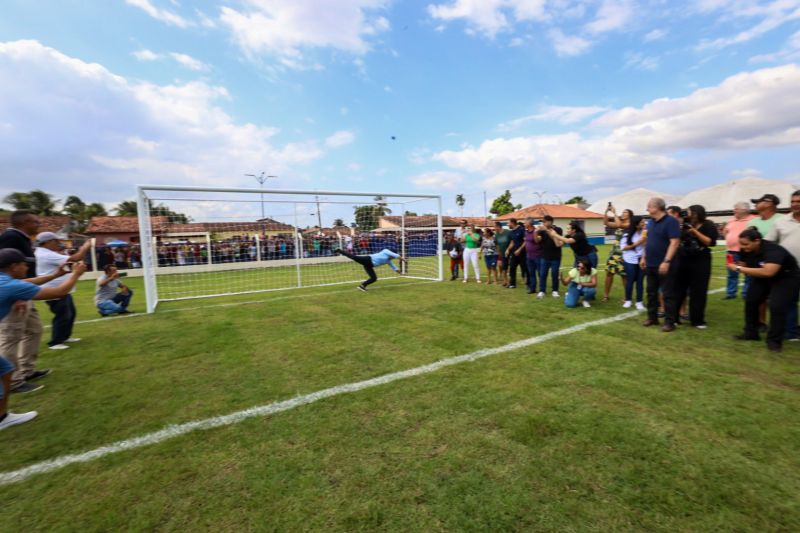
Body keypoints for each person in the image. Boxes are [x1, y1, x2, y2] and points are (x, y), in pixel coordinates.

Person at [0, 248, 87, 428]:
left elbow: (30, 282)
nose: (27, 267)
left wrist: (56, 274)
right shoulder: (10, 286)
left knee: (6, 370)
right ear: (13, 267)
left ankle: (2, 417)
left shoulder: (7, 282)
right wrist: (76, 274)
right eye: (24, 264)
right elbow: (59, 292)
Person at [729, 228, 800, 352]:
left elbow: (768, 272)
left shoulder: (774, 250)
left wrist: (738, 268)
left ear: (757, 241)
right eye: (741, 244)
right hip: (763, 276)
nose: (743, 247)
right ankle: (751, 333)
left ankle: (774, 341)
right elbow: (745, 264)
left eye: (746, 244)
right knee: (751, 300)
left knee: (776, 306)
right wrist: (736, 264)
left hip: (786, 277)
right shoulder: (746, 249)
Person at [0, 210, 46, 394]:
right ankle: (13, 381)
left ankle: (27, 371)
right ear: (24, 222)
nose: (39, 225)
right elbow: (6, 268)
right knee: (11, 337)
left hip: (24, 292)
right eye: (36, 222)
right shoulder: (11, 238)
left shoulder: (22, 238)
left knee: (35, 330)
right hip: (16, 294)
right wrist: (16, 295)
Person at [34, 232, 92, 350]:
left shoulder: (45, 253)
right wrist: (85, 247)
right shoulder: (46, 254)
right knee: (63, 315)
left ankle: (65, 337)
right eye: (56, 241)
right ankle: (55, 342)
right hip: (54, 290)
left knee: (70, 313)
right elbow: (76, 258)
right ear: (48, 242)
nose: (59, 243)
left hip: (62, 289)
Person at [641, 197, 681, 332]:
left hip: (665, 264)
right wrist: (643, 257)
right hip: (651, 264)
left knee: (668, 293)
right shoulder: (650, 222)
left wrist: (666, 261)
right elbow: (648, 241)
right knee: (651, 292)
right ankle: (652, 317)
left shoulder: (671, 222)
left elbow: (674, 242)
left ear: (657, 207)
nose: (647, 209)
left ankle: (670, 322)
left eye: (649, 206)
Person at [675, 205, 718, 329]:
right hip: (684, 258)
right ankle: (674, 317)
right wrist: (682, 225)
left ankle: (697, 320)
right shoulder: (684, 224)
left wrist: (694, 232)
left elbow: (710, 242)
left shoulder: (708, 224)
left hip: (701, 259)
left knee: (699, 291)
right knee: (680, 289)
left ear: (696, 213)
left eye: (688, 213)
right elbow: (678, 239)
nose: (686, 215)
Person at [766, 190, 800, 341]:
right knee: (788, 301)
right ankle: (791, 332)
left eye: (798, 202)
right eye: (793, 201)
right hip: (788, 271)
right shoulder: (780, 221)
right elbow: (769, 243)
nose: (795, 205)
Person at [722, 201, 756, 300]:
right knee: (731, 273)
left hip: (747, 252)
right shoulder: (731, 220)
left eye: (736, 208)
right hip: (731, 251)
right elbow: (725, 231)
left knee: (748, 274)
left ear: (744, 210)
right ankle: (731, 293)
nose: (734, 210)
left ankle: (746, 294)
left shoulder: (753, 220)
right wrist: (729, 238)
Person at [335, 248, 405, 291]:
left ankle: (362, 286)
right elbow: (397, 256)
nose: (393, 257)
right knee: (354, 257)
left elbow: (395, 268)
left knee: (374, 278)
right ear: (392, 254)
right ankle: (340, 251)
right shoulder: (385, 251)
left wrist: (401, 273)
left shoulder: (388, 261)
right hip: (368, 259)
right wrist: (404, 260)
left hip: (369, 265)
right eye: (393, 256)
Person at [603, 205, 632, 302]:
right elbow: (606, 222)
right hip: (614, 252)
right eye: (622, 212)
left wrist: (615, 213)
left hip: (624, 254)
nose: (623, 213)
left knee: (624, 275)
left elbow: (619, 224)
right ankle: (606, 295)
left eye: (625, 212)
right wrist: (607, 211)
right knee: (609, 273)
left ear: (630, 215)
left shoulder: (630, 224)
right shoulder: (619, 223)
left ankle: (626, 297)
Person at [621, 216, 646, 310]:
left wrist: (643, 257)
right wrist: (637, 243)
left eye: (644, 222)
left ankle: (639, 302)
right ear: (636, 224)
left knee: (640, 281)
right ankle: (628, 300)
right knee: (630, 280)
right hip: (630, 260)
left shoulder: (644, 233)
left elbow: (645, 247)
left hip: (641, 259)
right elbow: (623, 247)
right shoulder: (627, 234)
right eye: (642, 223)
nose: (644, 224)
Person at [537, 216, 563, 298]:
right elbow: (537, 240)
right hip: (545, 256)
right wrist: (535, 232)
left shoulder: (558, 229)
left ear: (550, 222)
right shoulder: (542, 231)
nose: (543, 223)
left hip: (556, 256)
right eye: (542, 222)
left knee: (554, 274)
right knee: (543, 274)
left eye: (544, 221)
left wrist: (547, 230)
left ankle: (555, 291)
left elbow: (557, 241)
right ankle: (542, 291)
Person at [521, 218, 542, 296]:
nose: (524, 224)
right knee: (531, 273)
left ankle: (541, 289)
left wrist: (535, 233)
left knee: (540, 273)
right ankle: (532, 288)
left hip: (537, 256)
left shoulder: (536, 231)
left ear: (529, 223)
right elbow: (526, 241)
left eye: (525, 223)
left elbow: (537, 241)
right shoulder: (526, 232)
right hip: (529, 256)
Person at [505, 218, 527, 289]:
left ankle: (528, 284)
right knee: (512, 267)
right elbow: (512, 242)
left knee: (525, 268)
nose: (507, 225)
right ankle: (512, 284)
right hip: (514, 253)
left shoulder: (521, 229)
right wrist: (508, 249)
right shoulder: (511, 232)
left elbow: (525, 241)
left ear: (512, 223)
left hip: (523, 253)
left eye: (508, 223)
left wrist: (519, 249)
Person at [493, 221, 511, 287]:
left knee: (510, 268)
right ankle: (505, 281)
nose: (494, 228)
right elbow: (497, 244)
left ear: (498, 226)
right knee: (504, 268)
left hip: (510, 253)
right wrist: (499, 252)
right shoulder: (496, 234)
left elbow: (512, 241)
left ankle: (509, 281)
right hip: (502, 254)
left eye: (495, 227)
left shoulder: (508, 232)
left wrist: (508, 249)